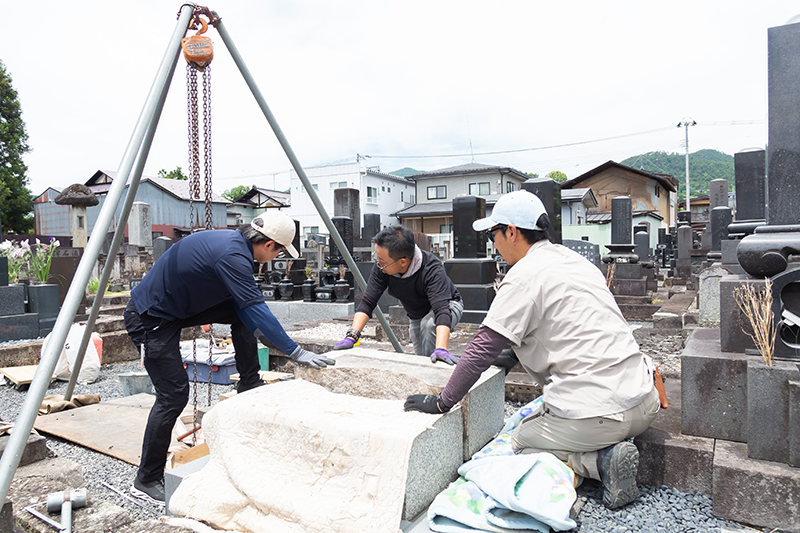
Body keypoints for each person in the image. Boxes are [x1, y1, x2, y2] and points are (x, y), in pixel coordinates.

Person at [404, 190, 660, 510]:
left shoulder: (523, 276)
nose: (493, 243)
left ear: (511, 231)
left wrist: (442, 402)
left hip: (600, 415)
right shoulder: (574, 261)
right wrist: (511, 355)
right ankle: (602, 445)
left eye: (494, 234)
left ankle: (601, 461)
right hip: (645, 398)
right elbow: (569, 328)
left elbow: (483, 346)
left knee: (521, 441)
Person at [123, 210, 334, 505]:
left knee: (240, 311)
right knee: (173, 395)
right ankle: (145, 480)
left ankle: (249, 382)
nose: (274, 259)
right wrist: (294, 350)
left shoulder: (234, 245)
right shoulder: (233, 256)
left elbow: (248, 309)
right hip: (150, 318)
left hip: (174, 309)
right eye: (278, 252)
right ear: (269, 245)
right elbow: (257, 307)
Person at [334, 225, 464, 364]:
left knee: (428, 326)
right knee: (421, 359)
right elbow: (368, 301)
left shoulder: (431, 268)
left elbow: (441, 310)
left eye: (382, 260)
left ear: (403, 261)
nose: (378, 263)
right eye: (376, 257)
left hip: (448, 306)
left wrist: (441, 348)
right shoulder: (382, 267)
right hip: (416, 314)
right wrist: (352, 335)